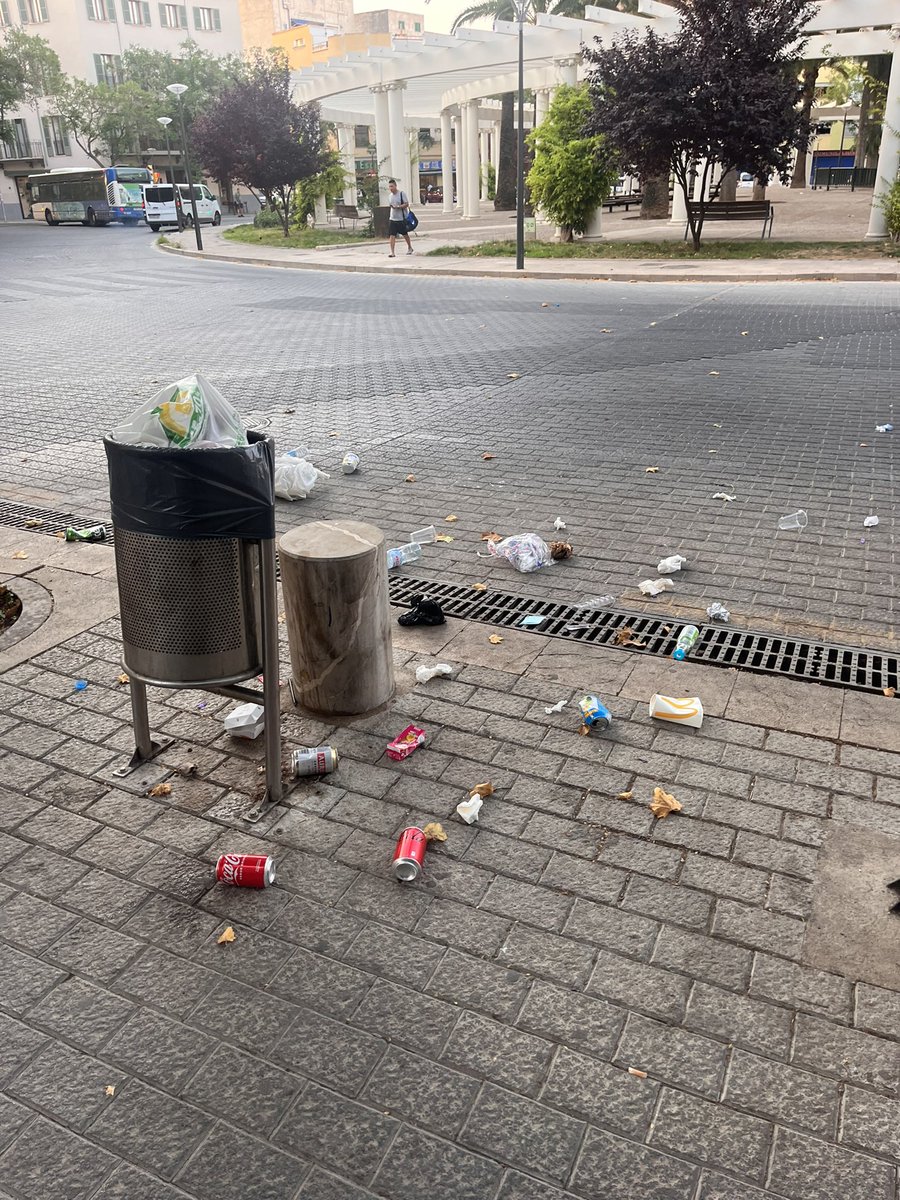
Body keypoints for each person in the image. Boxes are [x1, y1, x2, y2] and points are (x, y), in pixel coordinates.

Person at [387, 179, 413, 257]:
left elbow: (406, 204)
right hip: (392, 218)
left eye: (392, 186)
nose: (391, 188)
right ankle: (392, 252)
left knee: (405, 234)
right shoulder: (390, 196)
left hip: (401, 218)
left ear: (395, 186)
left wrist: (398, 207)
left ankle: (410, 247)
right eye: (389, 187)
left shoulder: (401, 194)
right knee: (392, 235)